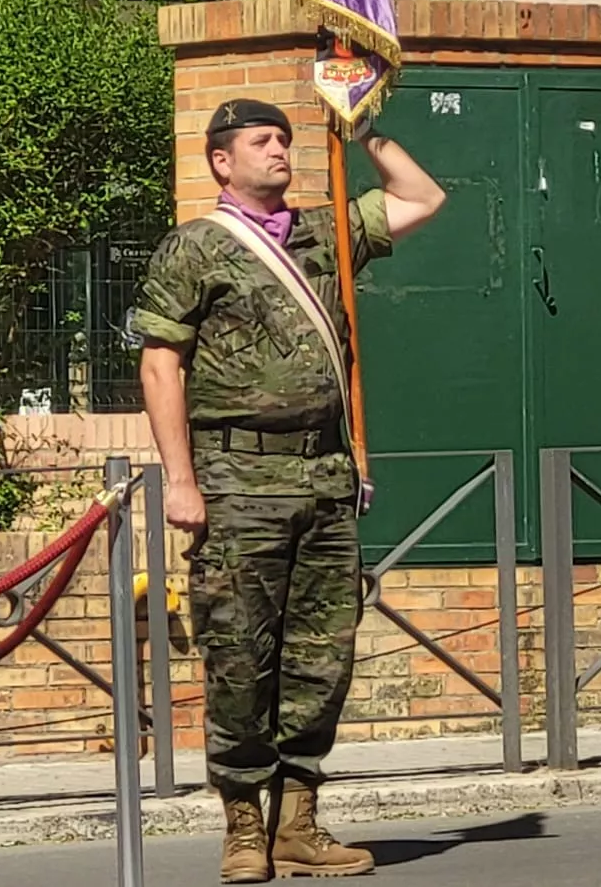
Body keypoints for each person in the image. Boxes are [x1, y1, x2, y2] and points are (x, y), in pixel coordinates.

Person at [135, 99, 444, 882]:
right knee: (241, 654)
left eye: (285, 139)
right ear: (220, 160)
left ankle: (299, 822)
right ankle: (243, 824)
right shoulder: (195, 249)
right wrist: (181, 480)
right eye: (261, 141)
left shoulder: (325, 231)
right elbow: (160, 365)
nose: (279, 151)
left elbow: (422, 197)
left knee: (321, 655)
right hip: (237, 477)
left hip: (324, 476)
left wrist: (364, 131)